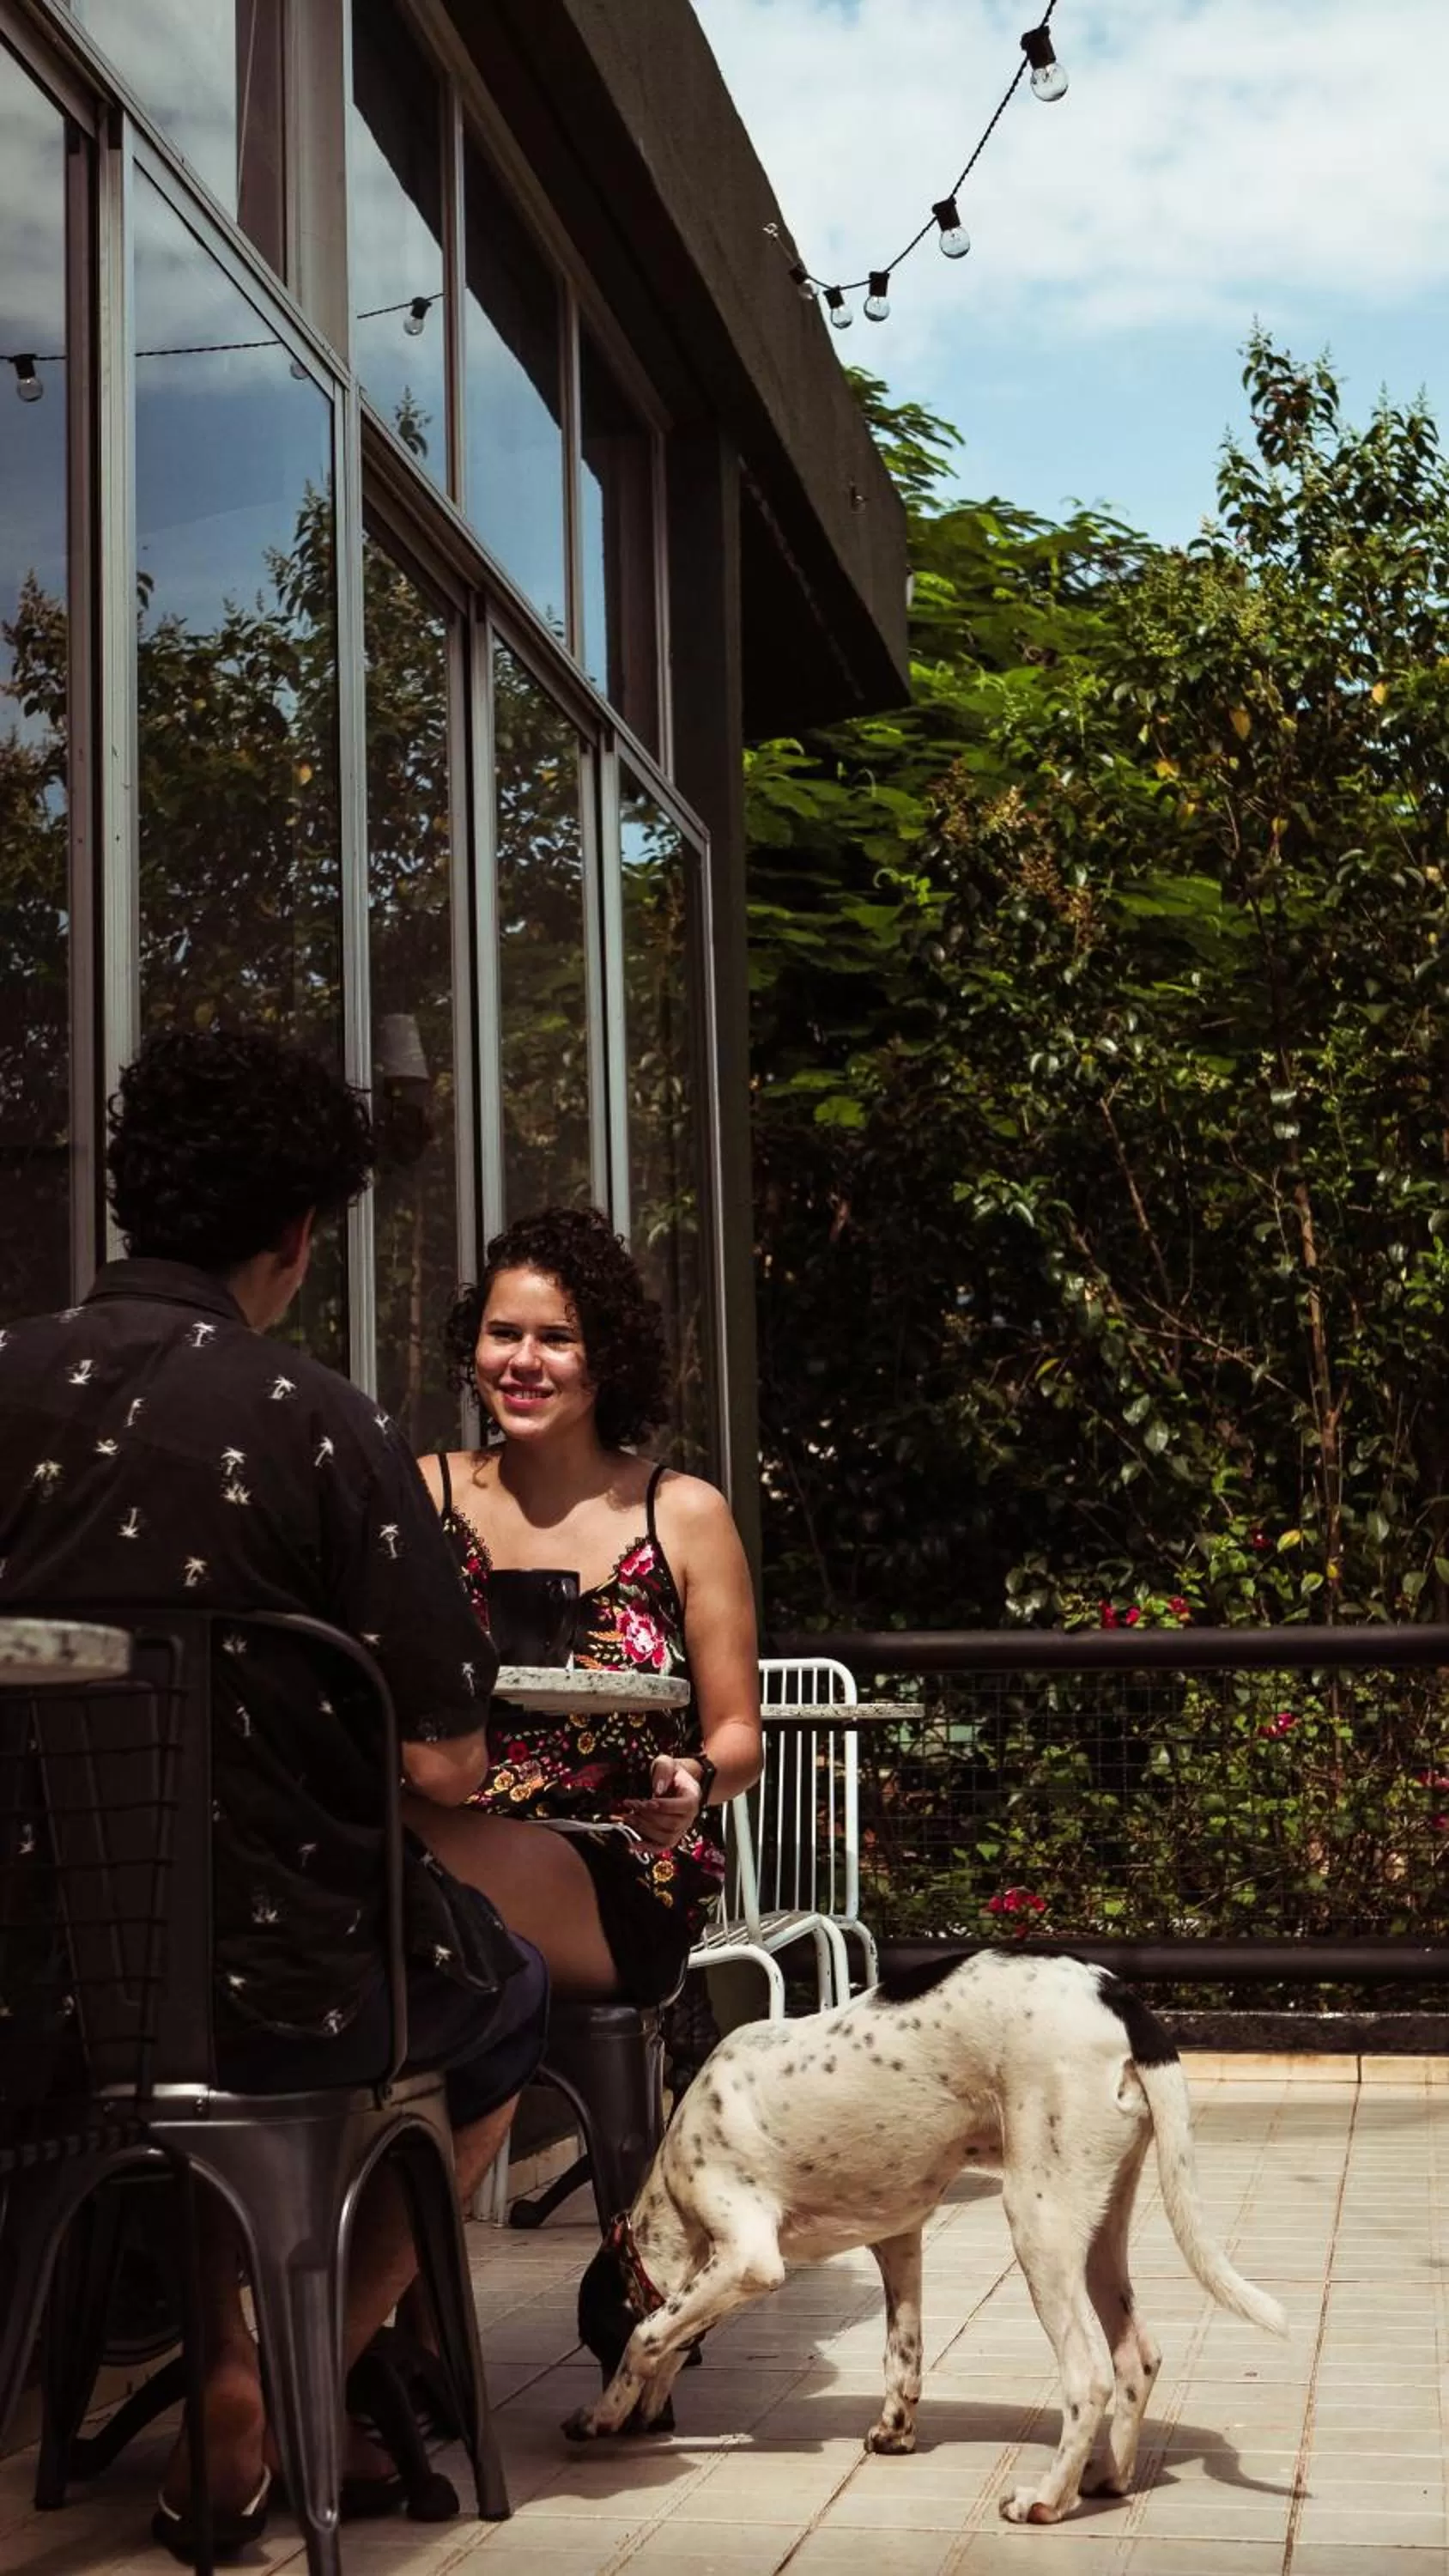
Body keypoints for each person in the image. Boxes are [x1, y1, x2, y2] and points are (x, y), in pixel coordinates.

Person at [0, 1027, 549, 2557]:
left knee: (146, 2017)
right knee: (500, 1992)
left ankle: (224, 2355)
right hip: (281, 1983)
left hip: (26, 1976)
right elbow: (445, 1758)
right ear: (299, 1233)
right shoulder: (321, 1421)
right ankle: (299, 2361)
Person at [415, 1206, 762, 2008]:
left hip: (620, 1857)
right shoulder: (422, 1492)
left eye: (557, 1339)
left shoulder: (682, 1512)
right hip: (442, 1829)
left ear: (607, 1358)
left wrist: (694, 1779)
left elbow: (740, 1734)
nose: (524, 1361)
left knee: (376, 1870)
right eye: (503, 1334)